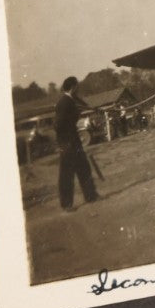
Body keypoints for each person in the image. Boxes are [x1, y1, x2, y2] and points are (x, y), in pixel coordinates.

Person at [54, 77, 99, 212]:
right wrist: (65, 142)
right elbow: (58, 125)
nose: (78, 89)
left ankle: (91, 197)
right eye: (77, 87)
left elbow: (83, 104)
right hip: (68, 144)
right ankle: (67, 204)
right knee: (67, 175)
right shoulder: (64, 102)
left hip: (74, 143)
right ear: (73, 87)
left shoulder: (70, 100)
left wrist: (95, 109)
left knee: (84, 169)